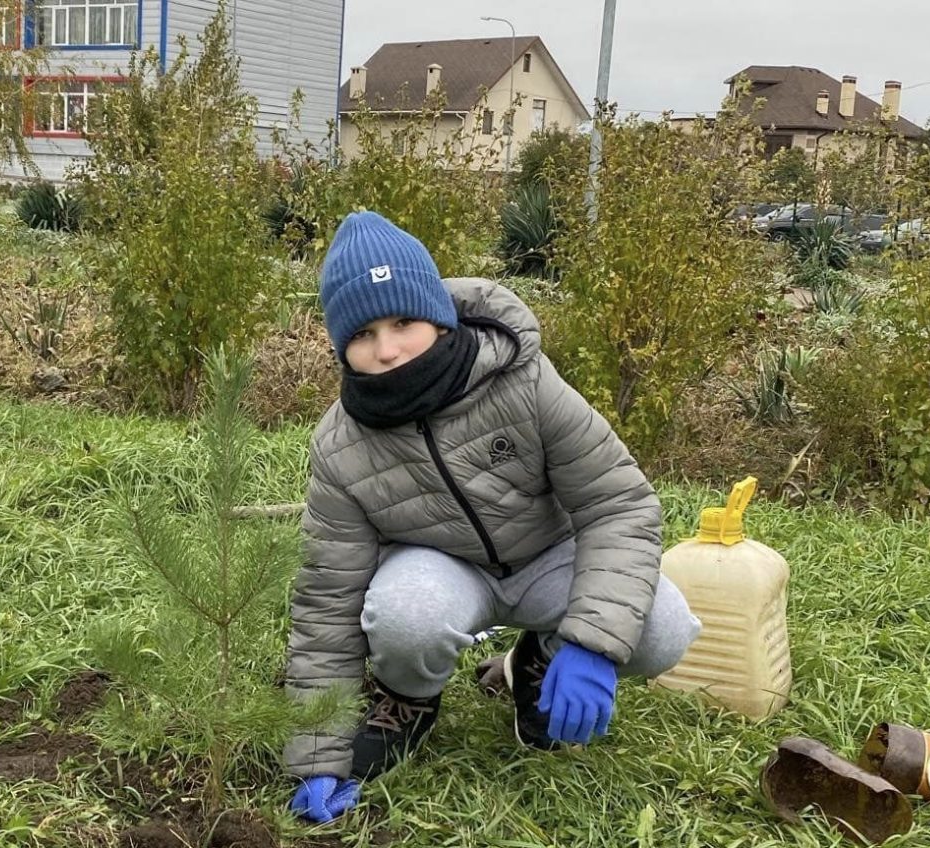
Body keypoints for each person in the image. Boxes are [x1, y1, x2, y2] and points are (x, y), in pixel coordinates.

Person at [283, 211, 703, 824]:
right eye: (365, 333)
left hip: (548, 555)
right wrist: (318, 754)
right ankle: (408, 697)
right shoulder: (340, 446)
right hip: (441, 569)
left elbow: (619, 503)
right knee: (408, 618)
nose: (389, 349)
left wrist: (589, 642)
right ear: (339, 345)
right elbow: (327, 599)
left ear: (438, 315)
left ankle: (536, 663)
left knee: (661, 627)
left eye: (404, 321)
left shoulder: (524, 380)